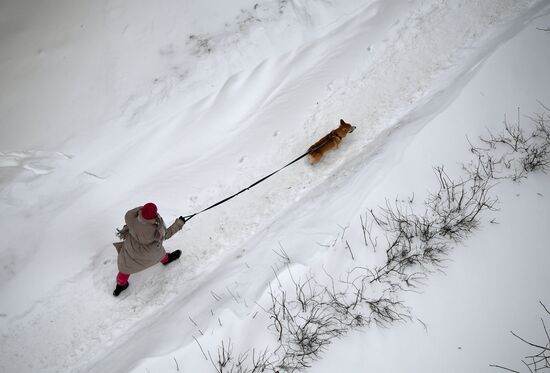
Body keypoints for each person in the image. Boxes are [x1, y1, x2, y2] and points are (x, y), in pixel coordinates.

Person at [112, 202, 186, 296]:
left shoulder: (130, 218)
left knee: (125, 267)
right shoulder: (155, 230)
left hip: (131, 245)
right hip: (148, 251)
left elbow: (131, 212)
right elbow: (166, 234)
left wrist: (143, 210)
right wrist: (179, 223)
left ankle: (120, 286)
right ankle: (167, 260)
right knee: (159, 255)